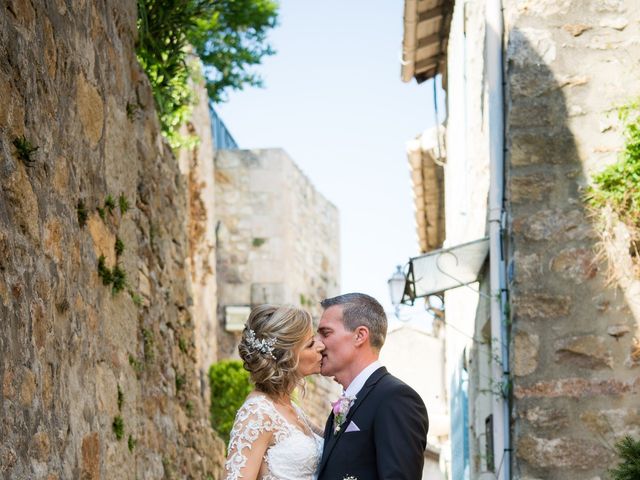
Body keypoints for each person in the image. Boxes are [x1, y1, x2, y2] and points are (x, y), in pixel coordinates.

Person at [316, 293, 429, 480]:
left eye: (325, 333)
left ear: (360, 336)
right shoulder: (343, 405)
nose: (318, 343)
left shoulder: (396, 399)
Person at [224, 304, 326, 480]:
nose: (321, 346)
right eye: (310, 344)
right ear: (287, 357)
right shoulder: (257, 413)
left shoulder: (292, 407)